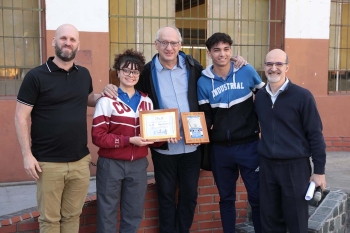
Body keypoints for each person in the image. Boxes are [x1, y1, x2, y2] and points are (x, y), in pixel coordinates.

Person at [103, 26, 247, 233]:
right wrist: (111, 87)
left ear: (180, 45)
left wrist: (236, 61)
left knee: (189, 196)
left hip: (192, 147)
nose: (169, 47)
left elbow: (214, 81)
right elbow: (129, 87)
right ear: (156, 44)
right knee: (166, 197)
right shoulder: (146, 72)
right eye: (164, 42)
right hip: (163, 148)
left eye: (173, 43)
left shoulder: (194, 67)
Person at [14, 24, 102, 233]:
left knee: (72, 216)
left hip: (80, 162)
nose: (68, 43)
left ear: (77, 45)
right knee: (50, 220)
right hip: (48, 163)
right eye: (63, 38)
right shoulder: (36, 76)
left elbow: (87, 98)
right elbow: (20, 116)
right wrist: (27, 155)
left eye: (72, 40)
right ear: (54, 41)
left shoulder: (83, 74)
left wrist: (106, 95)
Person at [197, 32, 264, 233]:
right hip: (220, 150)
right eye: (217, 50)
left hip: (249, 145)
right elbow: (205, 116)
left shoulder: (247, 71)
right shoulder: (203, 82)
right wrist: (196, 133)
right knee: (226, 198)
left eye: (226, 49)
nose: (222, 54)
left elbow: (264, 101)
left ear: (231, 51)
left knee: (256, 196)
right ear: (209, 54)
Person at [254, 49, 326, 233]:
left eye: (279, 64)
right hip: (268, 167)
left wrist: (319, 171)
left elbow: (315, 134)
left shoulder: (302, 96)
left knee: (296, 221)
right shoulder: (260, 97)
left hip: (295, 167)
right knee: (269, 220)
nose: (274, 68)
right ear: (264, 67)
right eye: (269, 64)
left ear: (287, 67)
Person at [91, 49, 164, 233]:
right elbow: (98, 137)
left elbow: (152, 139)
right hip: (111, 164)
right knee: (107, 213)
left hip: (138, 165)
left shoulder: (147, 101)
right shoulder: (107, 100)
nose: (131, 75)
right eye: (126, 70)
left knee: (133, 213)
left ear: (140, 74)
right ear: (118, 71)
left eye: (135, 71)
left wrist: (163, 137)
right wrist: (128, 140)